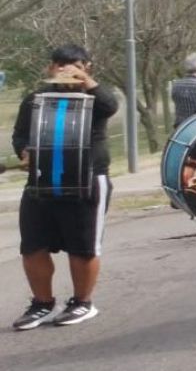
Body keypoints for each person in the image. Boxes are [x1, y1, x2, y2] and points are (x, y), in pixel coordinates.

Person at [11, 44, 119, 330]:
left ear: (88, 67)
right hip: (41, 180)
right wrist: (23, 152)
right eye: (59, 63)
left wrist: (86, 82)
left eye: (74, 64)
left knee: (82, 247)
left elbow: (111, 105)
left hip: (87, 180)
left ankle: (82, 302)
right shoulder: (35, 99)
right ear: (50, 67)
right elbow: (20, 134)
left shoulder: (95, 98)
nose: (65, 68)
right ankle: (42, 303)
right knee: (32, 245)